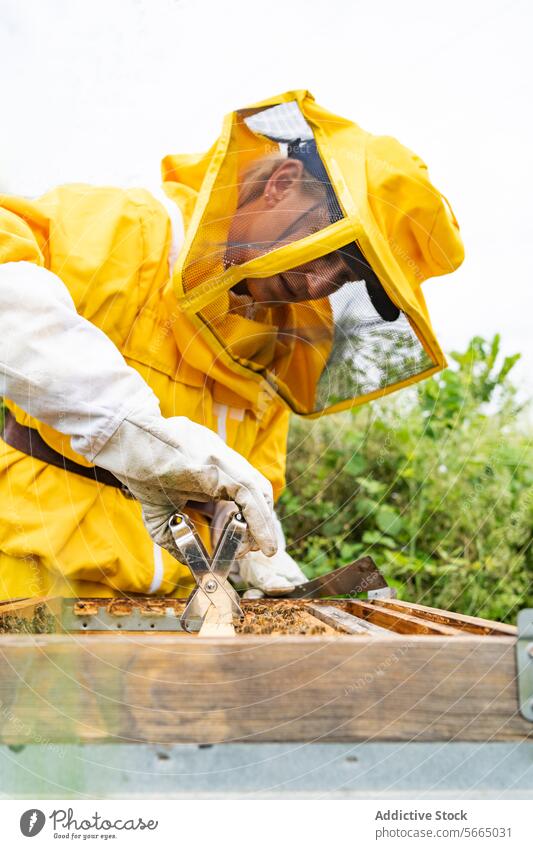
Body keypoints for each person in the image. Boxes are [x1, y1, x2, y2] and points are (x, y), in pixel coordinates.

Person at [0, 91, 464, 600]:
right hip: (27, 580)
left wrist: (261, 557)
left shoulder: (284, 346)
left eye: (345, 275)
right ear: (282, 185)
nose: (317, 286)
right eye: (330, 250)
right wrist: (130, 432)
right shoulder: (126, 231)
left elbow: (246, 487)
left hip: (179, 615)